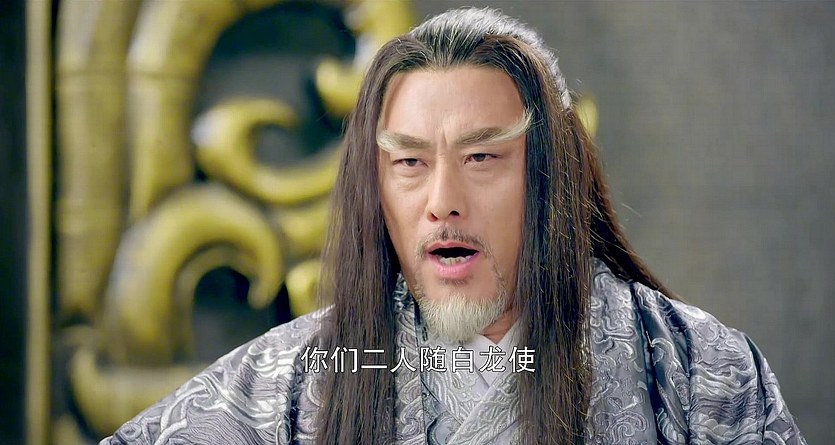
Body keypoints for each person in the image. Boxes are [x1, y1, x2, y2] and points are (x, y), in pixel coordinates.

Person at [102, 7, 806, 445]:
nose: (443, 200)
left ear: (550, 174)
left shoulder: (697, 369)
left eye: (481, 157)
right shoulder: (298, 380)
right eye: (409, 162)